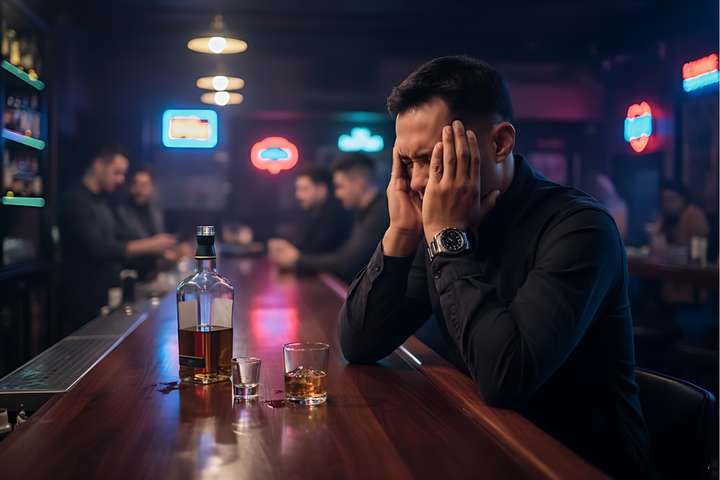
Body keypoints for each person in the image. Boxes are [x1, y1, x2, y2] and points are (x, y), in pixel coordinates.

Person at [337, 56, 649, 480]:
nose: (416, 183)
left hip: (576, 462)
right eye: (408, 164)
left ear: (499, 143)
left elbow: (506, 376)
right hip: (485, 441)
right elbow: (360, 343)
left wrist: (447, 238)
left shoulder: (579, 227)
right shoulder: (433, 223)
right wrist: (400, 232)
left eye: (433, 159)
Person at [58, 144, 177, 334]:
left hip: (104, 301)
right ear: (99, 166)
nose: (121, 179)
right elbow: (99, 248)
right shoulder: (75, 201)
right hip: (82, 304)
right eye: (117, 172)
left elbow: (118, 242)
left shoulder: (102, 202)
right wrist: (150, 245)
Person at [268, 153, 389, 284]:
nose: (337, 194)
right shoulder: (368, 212)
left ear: (359, 183)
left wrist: (297, 261)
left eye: (340, 186)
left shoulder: (379, 215)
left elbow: (347, 263)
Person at [291, 164, 354, 254]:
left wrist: (294, 258)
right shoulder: (317, 212)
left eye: (304, 189)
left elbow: (313, 251)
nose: (298, 195)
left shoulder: (335, 214)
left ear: (321, 189)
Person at [649, 182, 709, 251]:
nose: (667, 204)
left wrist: (667, 250)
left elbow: (692, 250)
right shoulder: (664, 216)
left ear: (683, 199)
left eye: (671, 199)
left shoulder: (694, 215)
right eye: (664, 200)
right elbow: (652, 242)